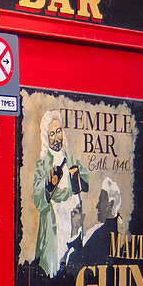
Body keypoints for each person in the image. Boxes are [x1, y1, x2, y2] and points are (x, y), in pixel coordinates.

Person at [32, 110, 89, 277]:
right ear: (46, 138)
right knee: (55, 267)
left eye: (58, 131)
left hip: (73, 219)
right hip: (55, 223)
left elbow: (85, 184)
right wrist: (49, 185)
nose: (57, 137)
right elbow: (37, 197)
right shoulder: (43, 165)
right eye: (52, 134)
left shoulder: (71, 159)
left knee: (73, 263)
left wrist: (76, 177)